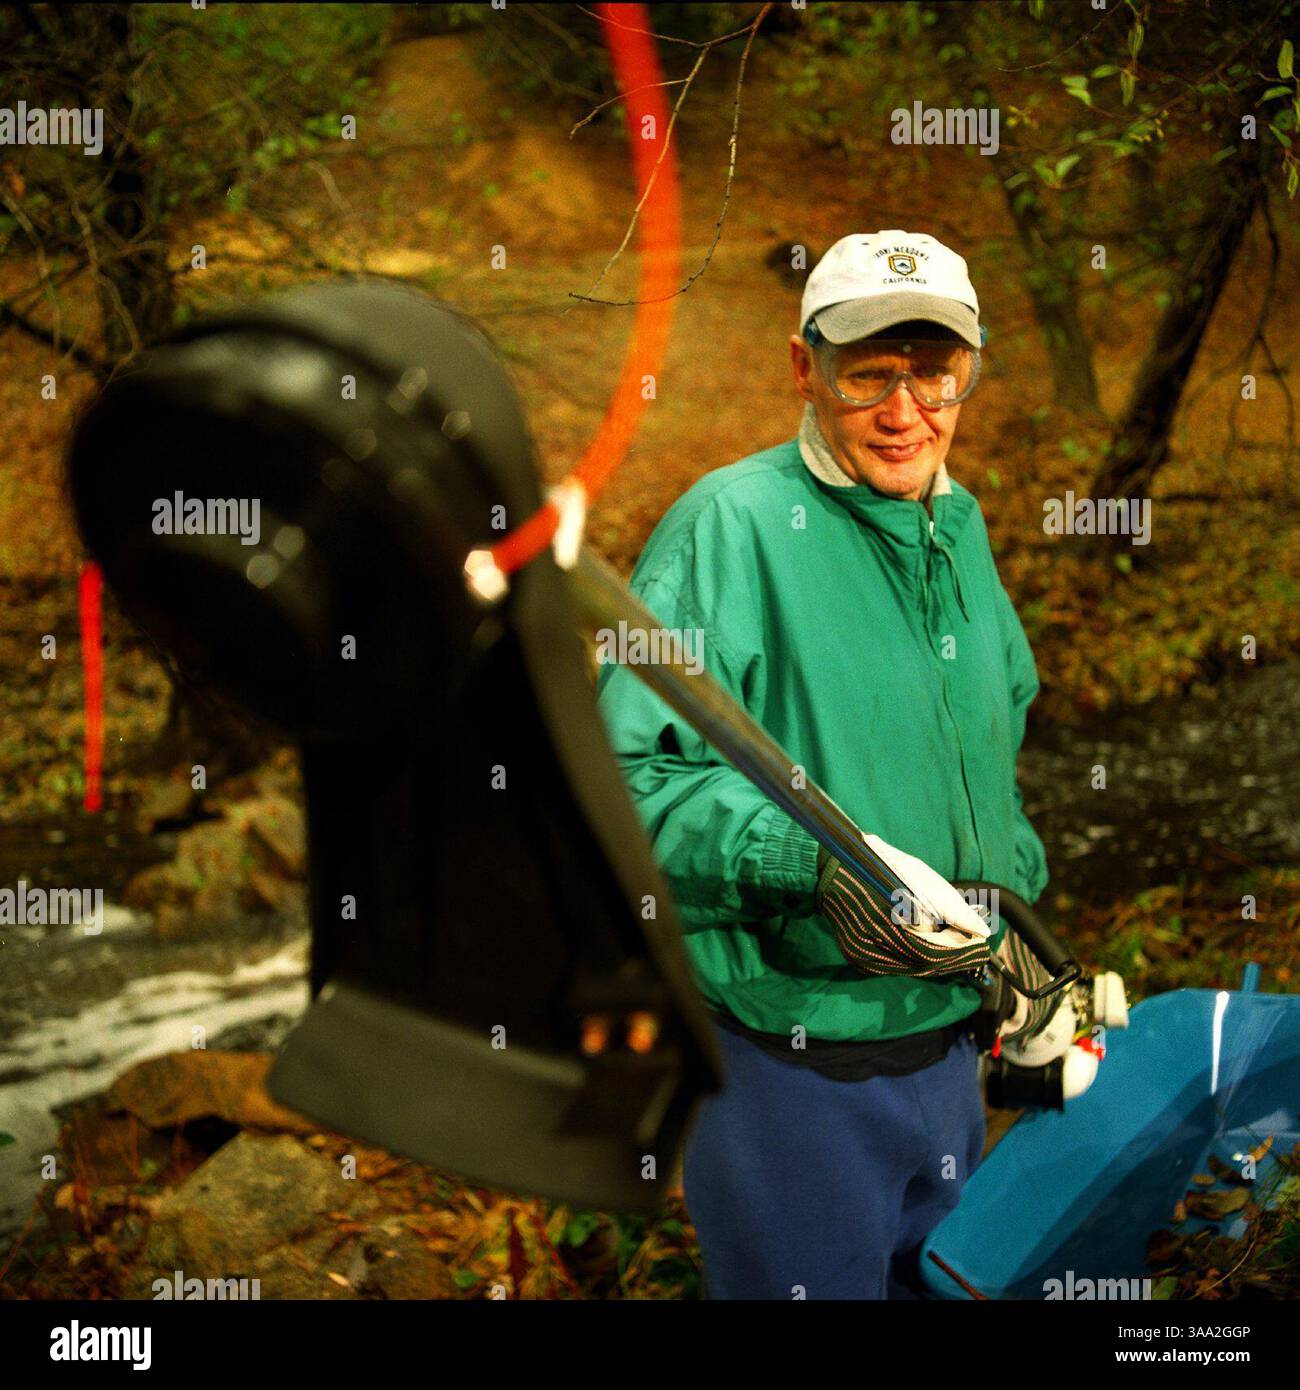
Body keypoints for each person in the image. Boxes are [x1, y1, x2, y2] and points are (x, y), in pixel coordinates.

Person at [595, 230, 1049, 1300]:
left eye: (933, 372)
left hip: (942, 1047)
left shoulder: (957, 525)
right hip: (787, 1062)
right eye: (868, 375)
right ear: (805, 367)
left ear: (969, 368)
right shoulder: (728, 529)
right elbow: (616, 783)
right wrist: (808, 864)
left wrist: (1021, 936)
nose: (906, 411)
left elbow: (992, 749)